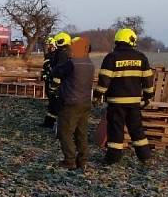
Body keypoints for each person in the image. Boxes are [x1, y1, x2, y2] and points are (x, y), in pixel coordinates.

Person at [94, 28, 154, 165]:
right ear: (131, 41)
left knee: (116, 130)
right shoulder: (141, 57)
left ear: (117, 41)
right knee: (137, 129)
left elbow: (104, 80)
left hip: (116, 102)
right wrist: (147, 96)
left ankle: (113, 158)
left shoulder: (111, 57)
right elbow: (148, 80)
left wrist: (97, 96)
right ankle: (145, 156)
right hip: (133, 103)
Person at [52, 37, 94, 169]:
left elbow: (56, 72)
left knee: (65, 132)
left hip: (70, 102)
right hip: (85, 102)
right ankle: (82, 160)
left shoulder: (72, 63)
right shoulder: (90, 64)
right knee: (81, 133)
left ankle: (69, 160)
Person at [42, 32, 72, 129]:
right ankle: (49, 123)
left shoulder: (62, 54)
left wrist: (54, 86)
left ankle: (54, 124)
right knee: (53, 104)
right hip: (57, 83)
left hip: (59, 84)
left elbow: (59, 72)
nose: (48, 47)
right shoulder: (62, 53)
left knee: (56, 104)